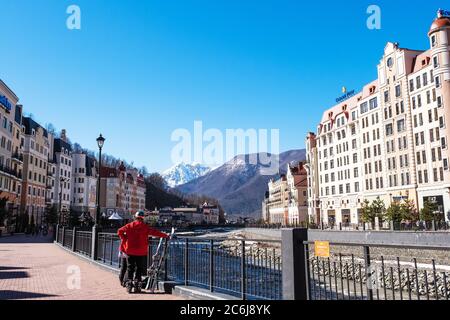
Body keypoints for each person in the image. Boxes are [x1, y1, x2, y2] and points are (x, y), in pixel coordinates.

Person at [117, 211, 169, 293]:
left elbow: (119, 231)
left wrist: (124, 238)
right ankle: (138, 284)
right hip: (141, 251)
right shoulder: (145, 227)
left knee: (130, 268)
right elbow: (154, 232)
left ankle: (129, 284)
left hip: (130, 250)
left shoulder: (129, 226)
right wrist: (165, 235)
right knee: (139, 268)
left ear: (135, 217)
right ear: (143, 218)